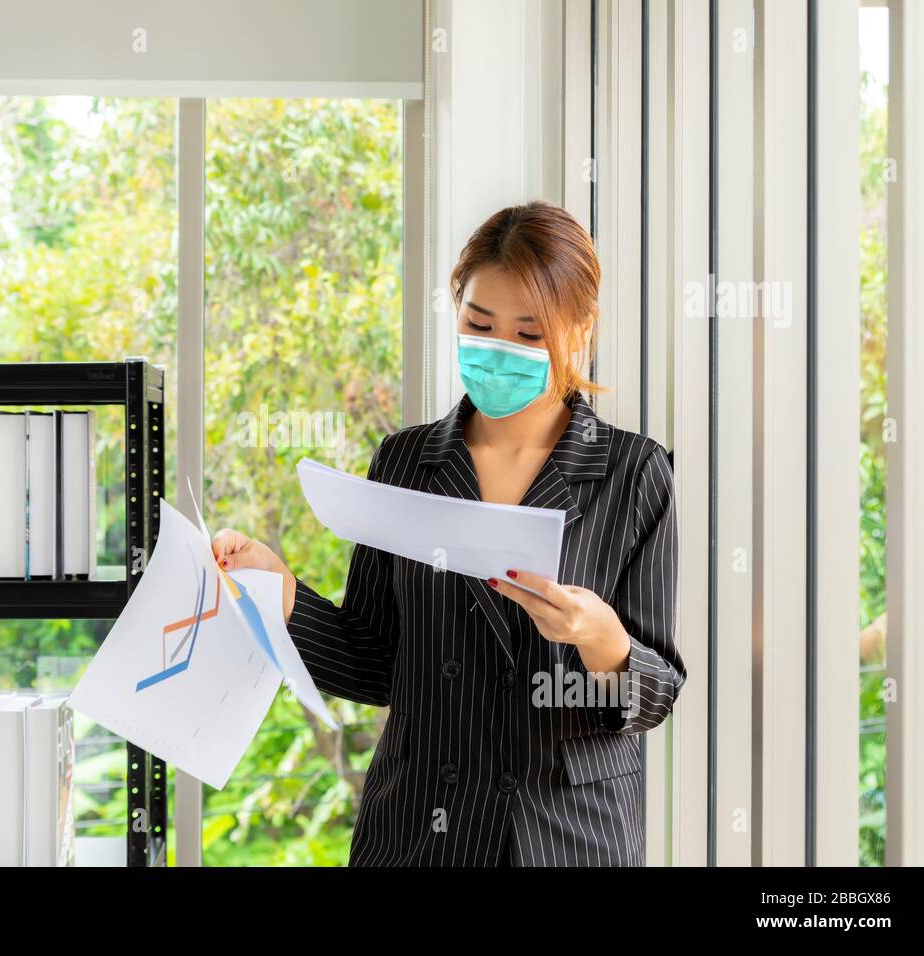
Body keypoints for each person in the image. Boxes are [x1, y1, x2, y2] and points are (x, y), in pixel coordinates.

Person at [211, 201, 686, 866]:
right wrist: (282, 590)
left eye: (529, 334)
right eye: (479, 323)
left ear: (581, 330)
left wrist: (600, 640)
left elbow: (658, 689)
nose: (499, 351)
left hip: (566, 835)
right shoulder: (405, 462)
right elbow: (376, 662)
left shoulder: (634, 472)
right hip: (419, 830)